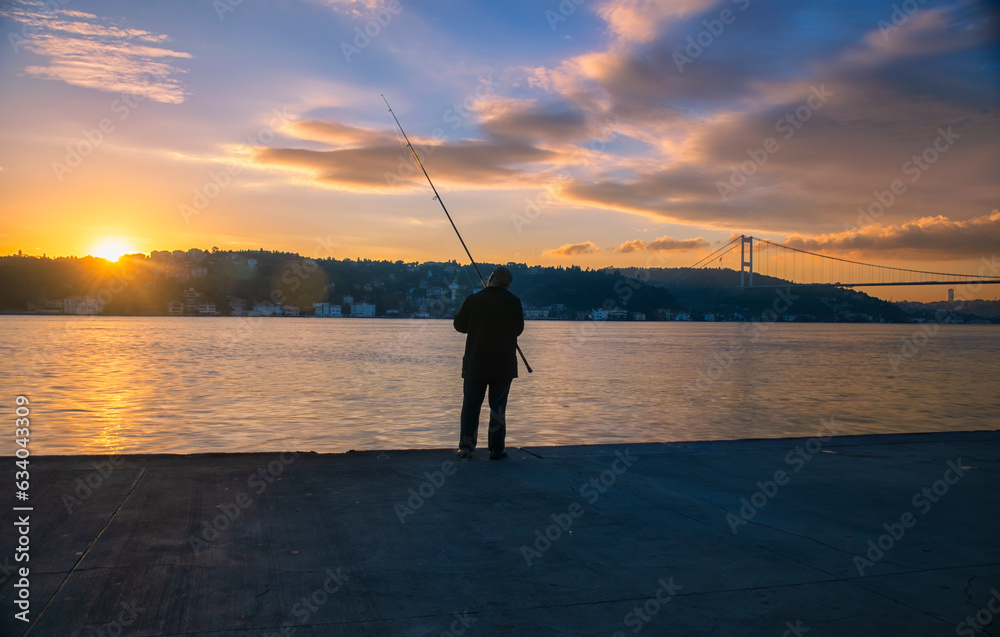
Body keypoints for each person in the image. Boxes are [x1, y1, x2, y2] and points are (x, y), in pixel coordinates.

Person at [453, 265, 524, 460]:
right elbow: (518, 330)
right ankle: (496, 449)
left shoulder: (474, 300)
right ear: (508, 285)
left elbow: (459, 326)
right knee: (498, 408)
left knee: (470, 406)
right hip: (503, 365)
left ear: (490, 277)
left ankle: (466, 448)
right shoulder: (514, 302)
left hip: (476, 362)